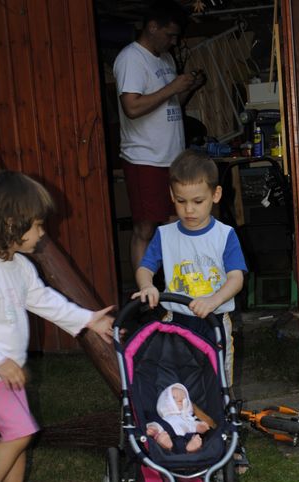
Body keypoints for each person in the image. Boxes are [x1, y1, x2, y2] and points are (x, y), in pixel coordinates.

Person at [0, 171, 115, 482]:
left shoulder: (19, 267)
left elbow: (45, 302)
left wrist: (88, 320)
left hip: (8, 374)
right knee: (20, 432)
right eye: (37, 225)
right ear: (10, 223)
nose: (42, 233)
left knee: (20, 433)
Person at [132, 148, 247, 388]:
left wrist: (214, 300)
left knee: (218, 382)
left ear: (215, 195)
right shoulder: (165, 235)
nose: (189, 210)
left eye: (198, 201)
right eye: (181, 201)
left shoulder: (224, 235)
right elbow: (145, 268)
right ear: (172, 195)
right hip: (177, 321)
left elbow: (236, 278)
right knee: (178, 381)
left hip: (215, 321)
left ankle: (222, 410)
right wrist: (146, 286)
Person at [113, 0, 206, 278]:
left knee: (175, 223)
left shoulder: (165, 59)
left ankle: (176, 288)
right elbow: (132, 108)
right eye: (170, 35)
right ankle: (146, 293)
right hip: (145, 158)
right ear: (152, 27)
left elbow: (170, 103)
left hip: (172, 159)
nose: (174, 42)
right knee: (145, 228)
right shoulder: (131, 58)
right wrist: (173, 87)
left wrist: (188, 88)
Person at [146, 383, 210, 453]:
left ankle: (192, 449)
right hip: (169, 436)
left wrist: (200, 427)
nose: (180, 399)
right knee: (162, 434)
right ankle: (166, 446)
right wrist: (154, 429)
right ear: (165, 401)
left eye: (184, 398)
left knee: (196, 438)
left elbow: (193, 426)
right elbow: (157, 424)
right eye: (174, 397)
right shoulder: (165, 418)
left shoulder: (189, 418)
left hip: (187, 440)